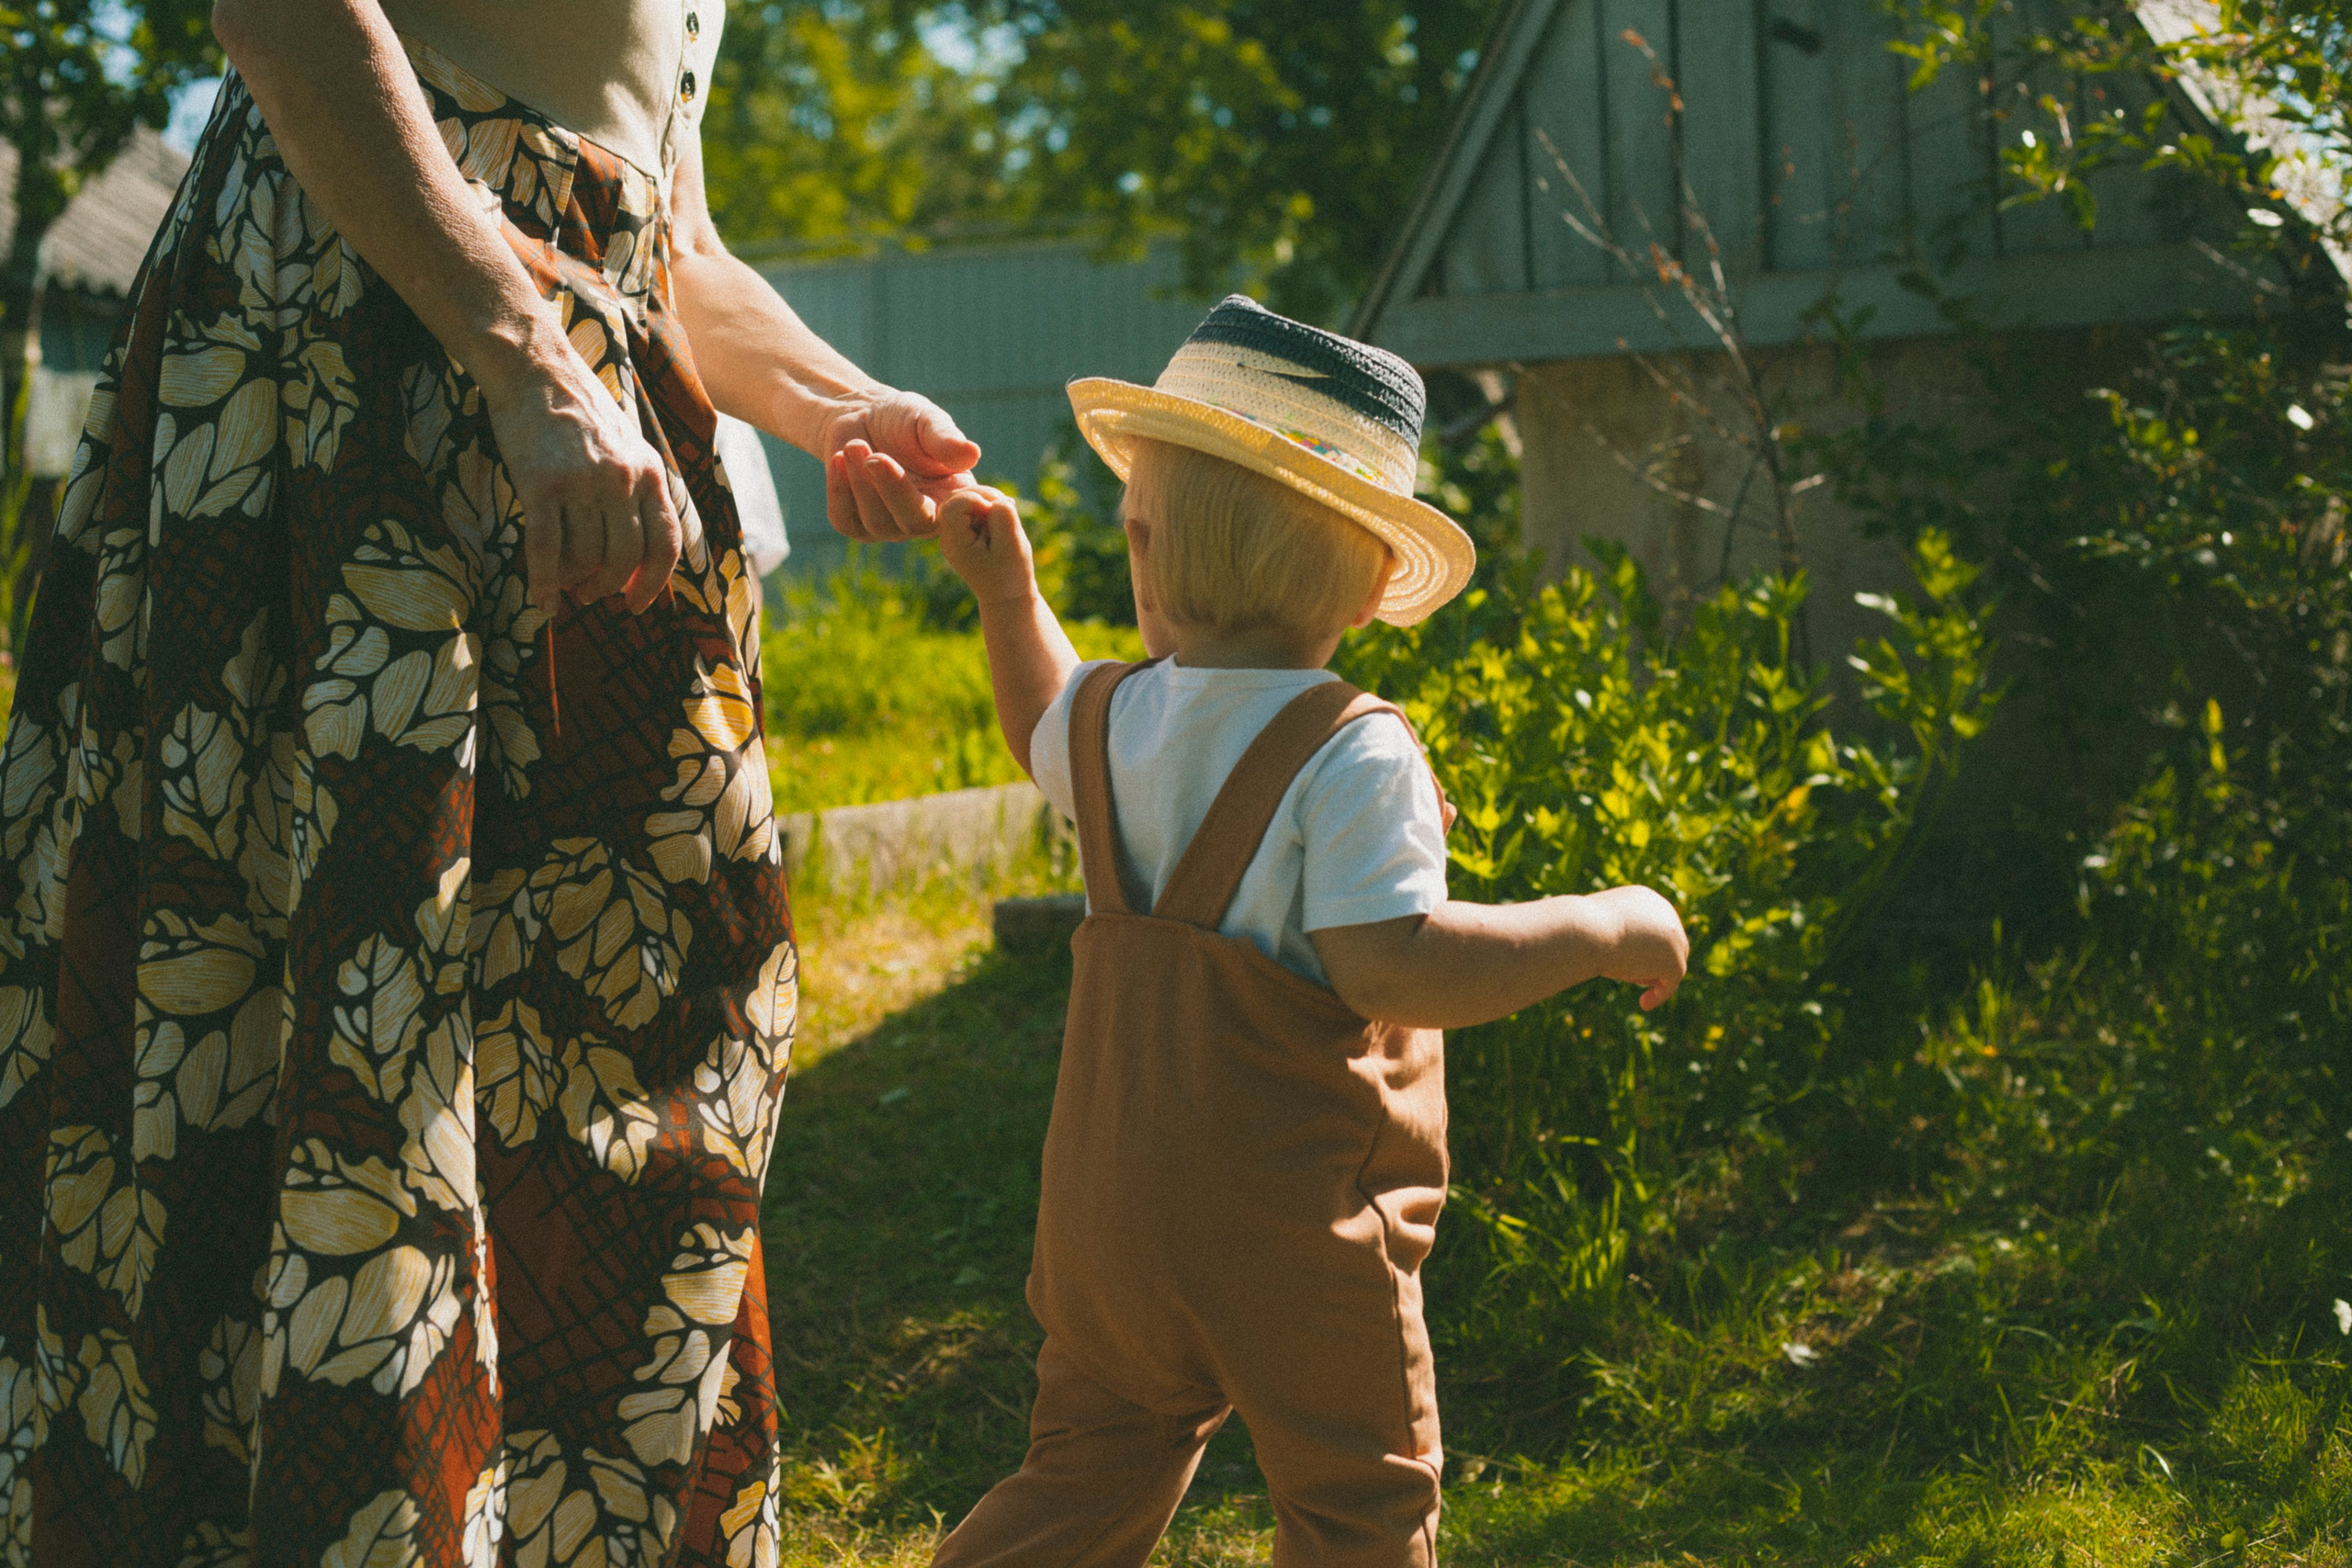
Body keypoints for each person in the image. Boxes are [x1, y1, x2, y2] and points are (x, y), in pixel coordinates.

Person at [0, 0, 974, 1560]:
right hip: (361, 402)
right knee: (349, 1047)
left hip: (569, 440)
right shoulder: (477, 348)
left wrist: (838, 403)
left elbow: (665, 223)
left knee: (634, 1045)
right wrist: (519, 352)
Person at [922, 295, 1690, 1568]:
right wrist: (1604, 926)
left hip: (1104, 1223)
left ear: (1146, 543)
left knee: (1087, 1472)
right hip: (1291, 1235)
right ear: (1377, 576)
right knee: (1357, 1510)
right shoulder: (1354, 748)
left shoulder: (1115, 722)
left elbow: (1038, 721)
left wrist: (1009, 592)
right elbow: (1397, 964)